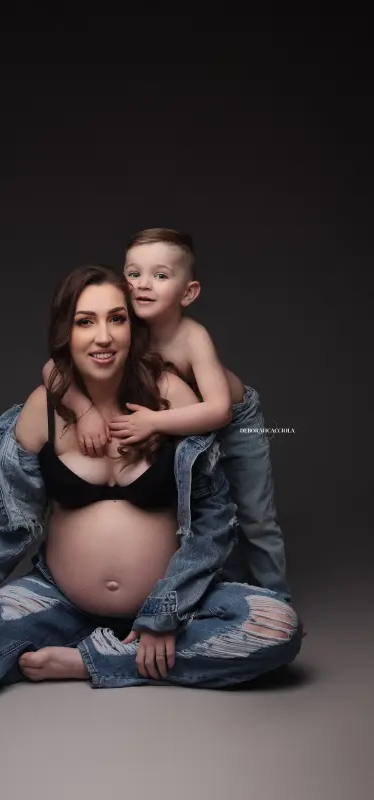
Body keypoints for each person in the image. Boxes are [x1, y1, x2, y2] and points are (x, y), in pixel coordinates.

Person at [0, 265, 302, 743]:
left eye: (116, 319)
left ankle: (91, 660)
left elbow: (212, 521)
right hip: (58, 597)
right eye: (85, 321)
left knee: (275, 627)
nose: (102, 337)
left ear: (133, 326)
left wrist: (164, 612)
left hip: (178, 601)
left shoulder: (170, 398)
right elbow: (7, 522)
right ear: (66, 330)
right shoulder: (41, 408)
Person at [42, 229, 292, 601]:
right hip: (183, 420)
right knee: (208, 513)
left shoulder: (192, 337)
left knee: (254, 517)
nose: (143, 285)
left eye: (160, 276)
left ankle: (276, 599)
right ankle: (229, 591)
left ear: (188, 293)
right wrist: (86, 408)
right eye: (133, 273)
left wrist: (153, 422)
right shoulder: (122, 326)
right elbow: (53, 369)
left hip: (234, 421)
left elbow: (218, 410)